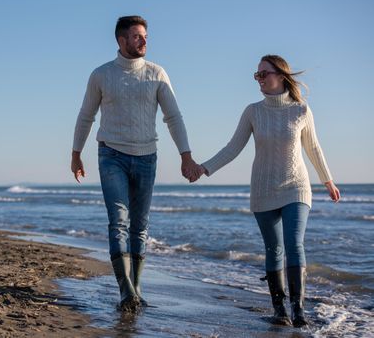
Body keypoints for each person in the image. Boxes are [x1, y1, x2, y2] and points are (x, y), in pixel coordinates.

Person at [197, 55, 340, 327]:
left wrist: (328, 181)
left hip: (296, 186)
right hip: (262, 189)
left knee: (294, 244)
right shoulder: (253, 111)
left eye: (264, 74)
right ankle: (279, 310)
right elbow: (232, 147)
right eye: (257, 75)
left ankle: (298, 310)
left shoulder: (301, 110)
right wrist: (204, 168)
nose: (259, 79)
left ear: (281, 75)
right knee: (274, 249)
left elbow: (314, 148)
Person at [71, 16, 201, 311]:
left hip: (147, 157)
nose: (144, 41)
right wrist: (76, 152)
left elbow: (174, 117)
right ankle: (126, 290)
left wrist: (186, 155)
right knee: (118, 221)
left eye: (145, 36)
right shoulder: (101, 75)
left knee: (139, 227)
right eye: (137, 36)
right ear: (121, 40)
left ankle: (137, 286)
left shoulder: (157, 74)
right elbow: (85, 116)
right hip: (111, 155)